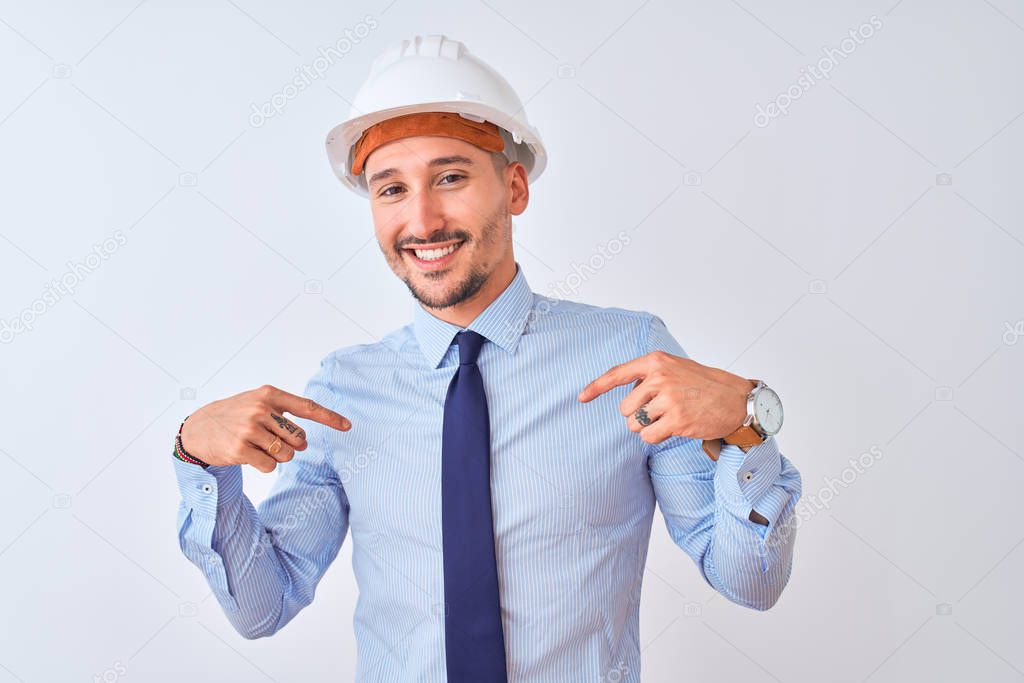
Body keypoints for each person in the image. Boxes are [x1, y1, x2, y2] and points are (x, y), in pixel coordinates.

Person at [171, 34, 802, 683]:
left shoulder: (630, 356)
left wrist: (746, 422)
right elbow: (263, 605)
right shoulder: (344, 392)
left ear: (515, 186)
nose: (422, 219)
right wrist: (198, 458)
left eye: (450, 177)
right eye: (391, 189)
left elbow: (751, 580)